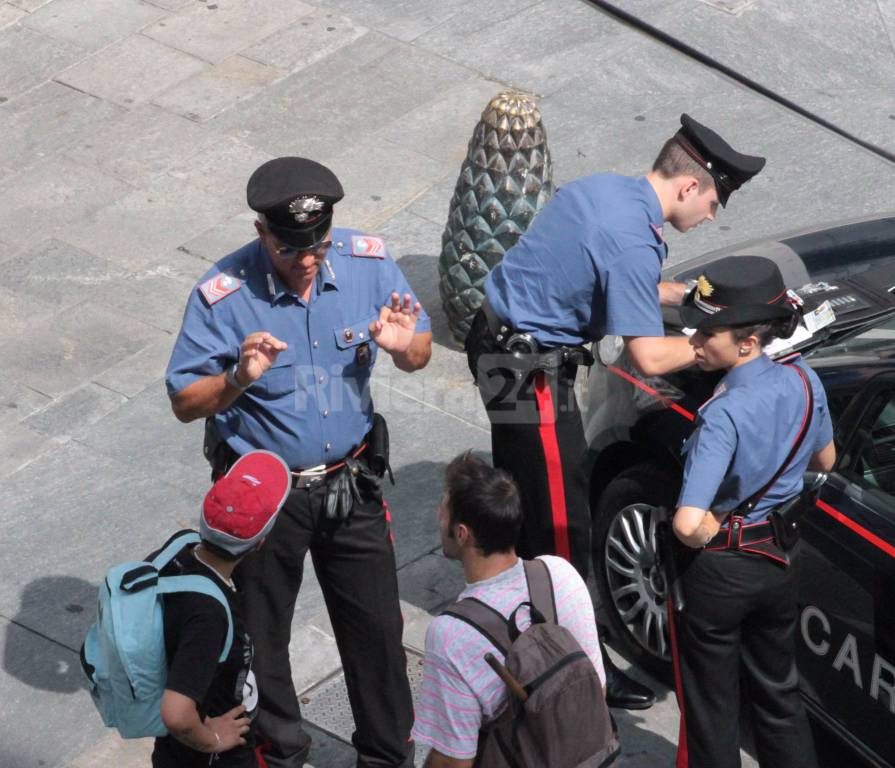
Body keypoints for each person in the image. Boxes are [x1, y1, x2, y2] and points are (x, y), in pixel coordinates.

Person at [465, 113, 766, 709]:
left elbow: (608, 276)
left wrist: (685, 294)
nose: (711, 216)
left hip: (494, 343)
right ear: (688, 186)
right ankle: (578, 671)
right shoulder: (635, 239)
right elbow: (650, 357)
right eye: (713, 201)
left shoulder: (606, 191)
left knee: (521, 496)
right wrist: (726, 348)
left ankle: (514, 614)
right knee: (563, 529)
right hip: (531, 376)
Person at [165, 157, 432, 768]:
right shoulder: (222, 296)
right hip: (264, 499)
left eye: (318, 245)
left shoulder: (367, 265)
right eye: (291, 250)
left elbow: (418, 350)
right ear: (262, 233)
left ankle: (387, 757)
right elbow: (184, 401)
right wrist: (236, 377)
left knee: (377, 634)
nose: (308, 260)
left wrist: (403, 349)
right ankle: (280, 756)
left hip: (351, 485)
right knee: (261, 640)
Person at [669, 255, 836, 768]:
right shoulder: (805, 380)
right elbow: (827, 459)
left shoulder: (723, 414)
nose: (695, 343)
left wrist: (706, 531)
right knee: (779, 692)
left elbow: (687, 522)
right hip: (781, 557)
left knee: (712, 705)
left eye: (707, 334)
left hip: (722, 570)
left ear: (746, 343)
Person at [412, 452, 609, 767]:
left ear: (462, 533)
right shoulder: (560, 574)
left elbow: (454, 760)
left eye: (443, 510)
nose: (438, 515)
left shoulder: (452, 635)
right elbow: (595, 688)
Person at [154, 450, 291, 768]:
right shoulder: (209, 615)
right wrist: (212, 739)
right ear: (259, 544)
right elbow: (176, 714)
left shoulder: (179, 549)